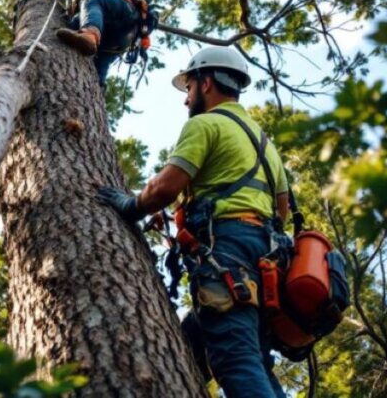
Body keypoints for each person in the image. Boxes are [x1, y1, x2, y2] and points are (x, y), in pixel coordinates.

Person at [96, 46, 290, 398]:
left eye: (188, 88)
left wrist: (130, 204)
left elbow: (163, 188)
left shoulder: (205, 124)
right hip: (265, 259)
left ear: (207, 82)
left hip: (227, 252)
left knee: (236, 359)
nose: (186, 100)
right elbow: (282, 210)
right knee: (241, 355)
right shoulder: (265, 143)